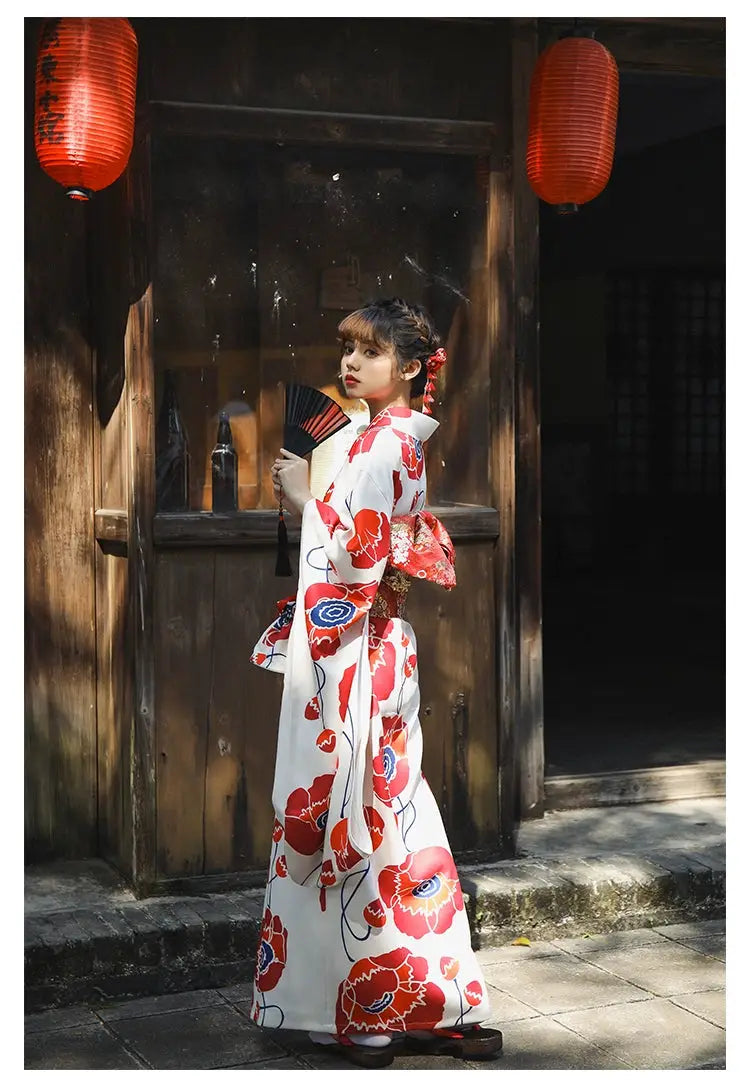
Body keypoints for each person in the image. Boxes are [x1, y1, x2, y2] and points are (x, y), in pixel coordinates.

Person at [249, 297, 503, 1068]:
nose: (350, 364)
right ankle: (436, 998)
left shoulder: (389, 444)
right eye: (347, 350)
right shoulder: (376, 436)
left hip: (360, 649)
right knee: (396, 816)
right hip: (377, 643)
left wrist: (303, 502)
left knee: (349, 816)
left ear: (412, 367)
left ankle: (368, 1011)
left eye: (370, 353)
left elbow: (356, 561)